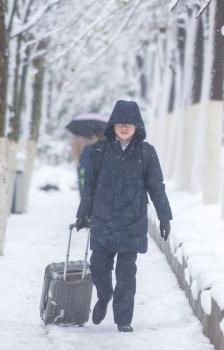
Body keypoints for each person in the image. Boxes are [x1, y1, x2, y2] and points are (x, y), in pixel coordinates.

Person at [75, 100, 172, 333]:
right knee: (98, 266)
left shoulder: (146, 152)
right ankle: (104, 295)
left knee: (127, 274)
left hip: (132, 220)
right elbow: (89, 187)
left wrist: (164, 217)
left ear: (137, 126)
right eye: (120, 123)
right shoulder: (99, 151)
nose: (124, 127)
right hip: (103, 219)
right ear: (113, 125)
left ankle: (123, 319)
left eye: (129, 123)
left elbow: (156, 187)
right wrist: (82, 214)